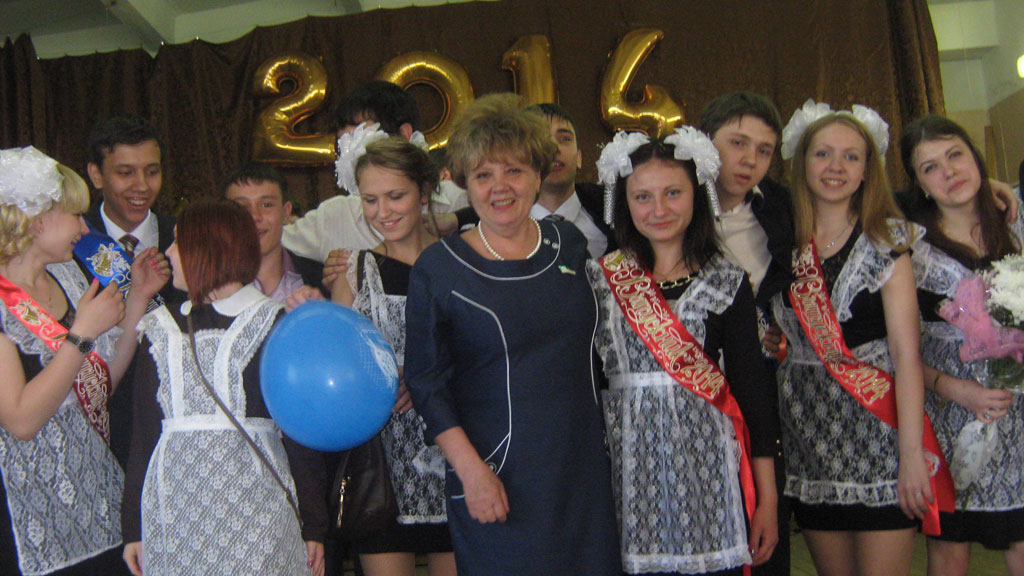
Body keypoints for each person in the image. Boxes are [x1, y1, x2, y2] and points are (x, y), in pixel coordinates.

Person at [403, 93, 620, 575]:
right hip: (496, 477)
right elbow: (426, 383)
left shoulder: (569, 242)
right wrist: (471, 472)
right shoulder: (439, 268)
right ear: (466, 184)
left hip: (583, 474)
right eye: (483, 175)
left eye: (514, 171)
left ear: (538, 176)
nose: (499, 187)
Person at [770, 100, 953, 576]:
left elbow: (907, 355)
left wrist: (911, 456)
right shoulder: (781, 239)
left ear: (868, 169)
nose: (836, 167)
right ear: (802, 162)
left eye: (851, 156)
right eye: (823, 154)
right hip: (809, 437)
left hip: (880, 436)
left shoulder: (886, 240)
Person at [588, 128, 779, 575]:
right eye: (643, 197)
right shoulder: (600, 280)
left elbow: (752, 393)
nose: (659, 209)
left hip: (709, 470)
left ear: (698, 194)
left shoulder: (726, 281)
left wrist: (767, 500)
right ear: (624, 203)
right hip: (628, 471)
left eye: (673, 193)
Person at [121, 199, 319, 576]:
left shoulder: (277, 325)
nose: (169, 253)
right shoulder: (160, 329)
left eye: (179, 243)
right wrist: (134, 527)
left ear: (209, 250)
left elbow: (300, 434)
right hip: (177, 517)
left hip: (259, 514)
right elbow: (144, 434)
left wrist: (313, 525)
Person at [0, 146, 168, 575]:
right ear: (35, 220)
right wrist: (81, 335)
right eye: (74, 215)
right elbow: (21, 420)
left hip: (96, 496)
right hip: (28, 511)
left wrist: (138, 298)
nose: (83, 226)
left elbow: (101, 382)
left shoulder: (67, 275)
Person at [326, 132, 454, 576]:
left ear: (424, 191)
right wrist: (378, 378)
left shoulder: (459, 262)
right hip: (380, 465)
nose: (383, 212)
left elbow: (488, 355)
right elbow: (339, 367)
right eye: (370, 200)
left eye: (396, 196)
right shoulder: (354, 271)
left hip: (456, 454)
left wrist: (427, 379)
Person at [901, 115, 1024, 576]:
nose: (949, 171)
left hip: (1018, 414)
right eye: (930, 167)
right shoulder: (910, 249)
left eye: (955, 155)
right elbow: (898, 351)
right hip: (949, 415)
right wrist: (957, 390)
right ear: (919, 185)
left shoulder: (1017, 226)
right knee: (951, 551)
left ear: (975, 156)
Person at [697, 91, 792, 576]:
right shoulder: (667, 202)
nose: (750, 159)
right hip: (688, 391)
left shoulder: (780, 209)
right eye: (737, 143)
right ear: (704, 142)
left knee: (761, 531)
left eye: (764, 150)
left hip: (755, 390)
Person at [82, 114, 180, 469]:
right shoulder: (74, 242)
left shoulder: (184, 237)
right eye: (126, 173)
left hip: (173, 417)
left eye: (152, 172)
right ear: (96, 175)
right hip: (100, 422)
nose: (142, 186)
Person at [283, 80, 469, 262]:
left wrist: (458, 219)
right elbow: (274, 245)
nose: (383, 212)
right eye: (344, 149)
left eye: (361, 142)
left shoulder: (461, 201)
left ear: (404, 135)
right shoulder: (334, 216)